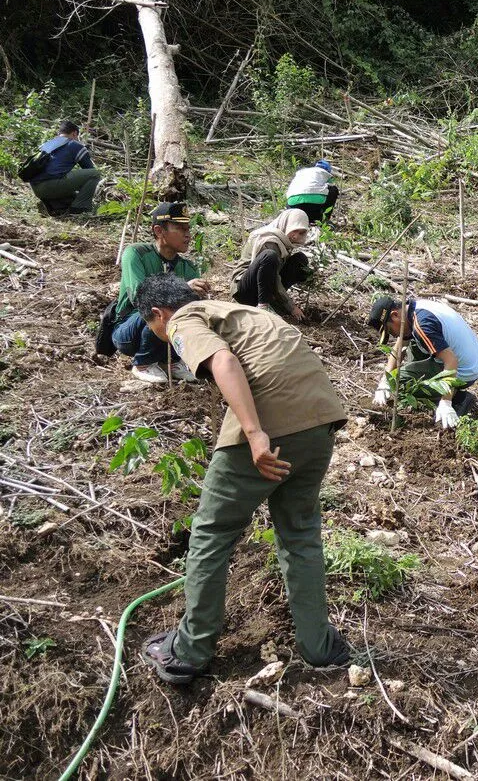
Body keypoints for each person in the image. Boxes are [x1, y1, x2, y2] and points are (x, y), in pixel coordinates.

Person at [137, 274, 350, 684]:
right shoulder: (240, 312)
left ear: (159, 314)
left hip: (271, 424)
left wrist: (254, 434)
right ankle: (319, 647)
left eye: (153, 328)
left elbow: (224, 363)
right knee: (300, 534)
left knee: (211, 533)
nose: (161, 336)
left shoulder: (183, 319)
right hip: (321, 419)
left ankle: (190, 651)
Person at [111, 202, 210, 383]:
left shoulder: (187, 267)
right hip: (130, 330)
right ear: (159, 231)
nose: (188, 234)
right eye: (180, 228)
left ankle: (171, 361)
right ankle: (143, 363)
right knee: (158, 309)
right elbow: (139, 297)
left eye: (188, 228)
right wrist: (183, 288)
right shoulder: (135, 254)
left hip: (167, 335)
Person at [369, 296, 478, 428]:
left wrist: (446, 402)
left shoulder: (422, 325)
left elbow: (451, 361)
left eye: (390, 330)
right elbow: (400, 345)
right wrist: (385, 381)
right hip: (471, 360)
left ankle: (458, 399)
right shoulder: (414, 309)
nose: (394, 335)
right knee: (411, 342)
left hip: (464, 370)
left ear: (395, 315)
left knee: (399, 385)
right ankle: (430, 386)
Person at [231, 209, 312, 322]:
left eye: (301, 233)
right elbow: (274, 278)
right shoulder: (269, 241)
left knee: (300, 260)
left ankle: (273, 302)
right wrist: (291, 307)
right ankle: (263, 306)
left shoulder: (284, 240)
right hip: (245, 290)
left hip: (263, 285)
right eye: (294, 230)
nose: (296, 236)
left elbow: (274, 274)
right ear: (286, 225)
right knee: (269, 256)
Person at [25, 120, 102, 215]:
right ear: (74, 133)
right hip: (50, 185)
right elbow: (90, 169)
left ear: (60, 133)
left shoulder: (47, 144)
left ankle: (53, 206)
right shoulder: (74, 145)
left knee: (74, 197)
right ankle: (80, 209)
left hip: (36, 188)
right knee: (95, 174)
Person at [285, 159, 339, 224]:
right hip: (314, 203)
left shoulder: (300, 172)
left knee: (293, 192)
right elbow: (330, 185)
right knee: (333, 189)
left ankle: (290, 220)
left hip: (293, 203)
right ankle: (324, 219)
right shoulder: (324, 172)